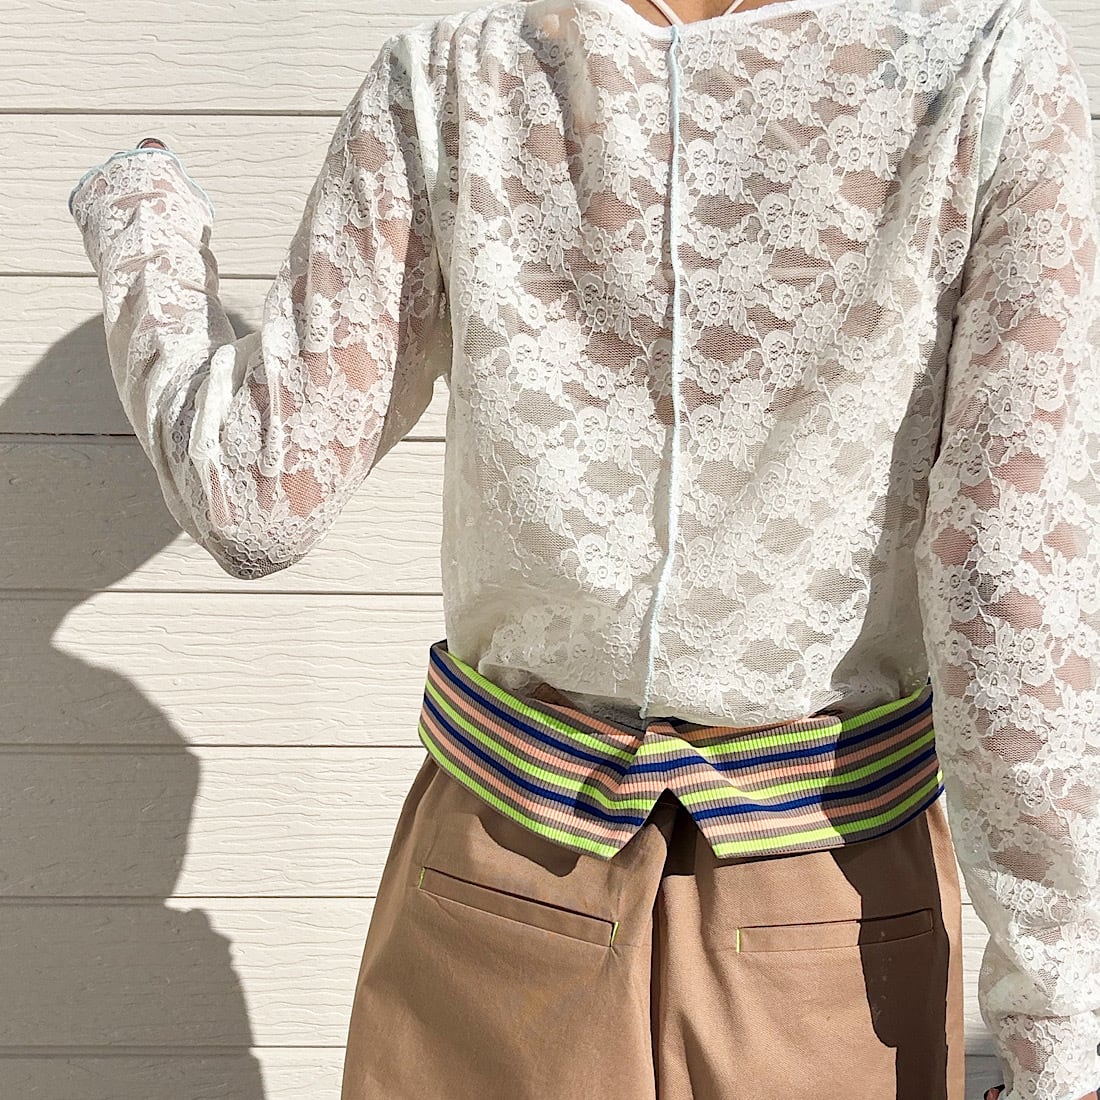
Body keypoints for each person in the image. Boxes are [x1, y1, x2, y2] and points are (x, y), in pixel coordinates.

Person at [67, 0, 1100, 1096]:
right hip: (828, 899)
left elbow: (255, 494)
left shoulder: (454, 77)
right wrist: (1058, 1027)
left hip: (502, 870)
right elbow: (1007, 585)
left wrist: (144, 224)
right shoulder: (982, 72)